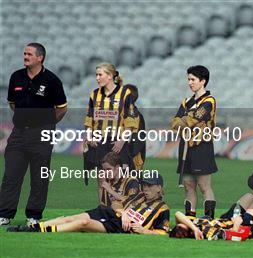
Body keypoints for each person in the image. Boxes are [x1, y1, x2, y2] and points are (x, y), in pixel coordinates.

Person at [0, 43, 67, 226]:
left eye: (29, 54)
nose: (25, 56)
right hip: (19, 134)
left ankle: (34, 216)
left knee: (39, 178)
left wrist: (46, 124)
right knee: (11, 175)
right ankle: (4, 214)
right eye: (24, 53)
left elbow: (62, 108)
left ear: (40, 58)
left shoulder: (52, 80)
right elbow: (12, 104)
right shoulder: (16, 77)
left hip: (41, 136)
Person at [8, 174, 169, 235]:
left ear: (159, 188)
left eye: (150, 186)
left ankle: (43, 232)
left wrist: (143, 231)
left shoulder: (163, 209)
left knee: (82, 223)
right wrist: (124, 213)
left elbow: (163, 232)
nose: (145, 188)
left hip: (121, 227)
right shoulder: (138, 196)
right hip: (112, 214)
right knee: (70, 217)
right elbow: (117, 203)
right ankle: (33, 228)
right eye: (144, 185)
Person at [83, 63, 139, 198]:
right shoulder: (94, 94)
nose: (97, 78)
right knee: (102, 180)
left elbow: (131, 120)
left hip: (117, 143)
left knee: (121, 179)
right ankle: (103, 211)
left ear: (110, 76)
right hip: (99, 143)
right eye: (96, 75)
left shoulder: (125, 93)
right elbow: (89, 119)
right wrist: (90, 137)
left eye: (100, 75)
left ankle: (120, 211)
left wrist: (122, 140)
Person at [171, 65, 218, 219]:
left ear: (203, 81)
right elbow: (174, 123)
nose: (190, 82)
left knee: (205, 187)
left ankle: (208, 219)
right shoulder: (186, 101)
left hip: (201, 147)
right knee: (188, 187)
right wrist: (185, 121)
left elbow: (191, 120)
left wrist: (185, 120)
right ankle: (189, 219)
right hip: (185, 147)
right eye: (188, 79)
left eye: (193, 79)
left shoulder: (209, 101)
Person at [124, 84, 146, 171]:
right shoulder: (121, 114)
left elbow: (138, 141)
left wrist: (126, 158)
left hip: (133, 160)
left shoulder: (137, 116)